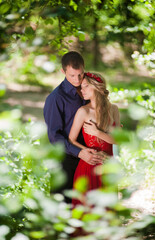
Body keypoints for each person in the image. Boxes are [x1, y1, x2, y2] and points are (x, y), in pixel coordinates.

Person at [43, 52, 104, 203]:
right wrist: (79, 152)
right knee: (64, 204)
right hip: (66, 158)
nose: (77, 80)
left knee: (85, 204)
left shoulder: (88, 88)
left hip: (90, 156)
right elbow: (54, 136)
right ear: (63, 72)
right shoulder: (56, 98)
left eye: (80, 74)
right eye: (72, 75)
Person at [69, 72, 121, 206]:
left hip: (108, 166)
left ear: (97, 87)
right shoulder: (83, 111)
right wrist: (86, 151)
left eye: (85, 86)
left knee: (107, 210)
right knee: (88, 210)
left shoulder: (113, 109)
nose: (82, 90)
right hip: (89, 166)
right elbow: (71, 140)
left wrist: (97, 133)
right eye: (81, 87)